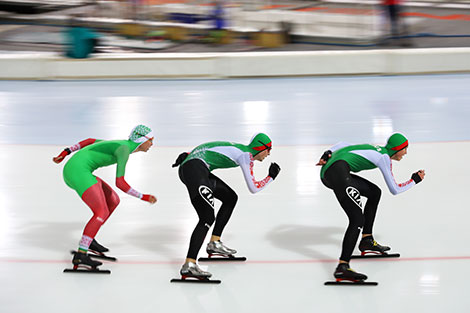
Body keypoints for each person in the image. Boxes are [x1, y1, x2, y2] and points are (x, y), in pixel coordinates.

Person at [316, 133, 425, 281]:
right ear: (397, 149)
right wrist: (414, 180)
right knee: (357, 219)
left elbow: (343, 143)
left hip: (335, 170)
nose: (405, 153)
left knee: (374, 193)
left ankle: (367, 240)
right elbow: (395, 189)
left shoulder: (379, 149)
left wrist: (328, 152)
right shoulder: (384, 157)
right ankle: (343, 267)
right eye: (404, 149)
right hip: (335, 172)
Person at [172, 133, 281, 279]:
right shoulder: (246, 156)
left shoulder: (241, 149)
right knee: (206, 217)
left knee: (230, 198)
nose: (269, 153)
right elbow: (253, 188)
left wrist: (188, 154)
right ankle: (189, 265)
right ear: (261, 148)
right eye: (269, 149)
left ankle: (214, 243)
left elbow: (213, 147)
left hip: (196, 167)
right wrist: (270, 177)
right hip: (194, 169)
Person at [53, 125, 157, 270]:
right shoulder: (124, 149)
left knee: (113, 201)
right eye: (151, 140)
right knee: (101, 212)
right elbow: (120, 182)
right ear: (142, 140)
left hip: (77, 170)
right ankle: (81, 255)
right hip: (77, 171)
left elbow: (90, 141)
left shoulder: (121, 145)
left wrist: (66, 152)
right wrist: (143, 197)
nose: (152, 144)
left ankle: (89, 239)